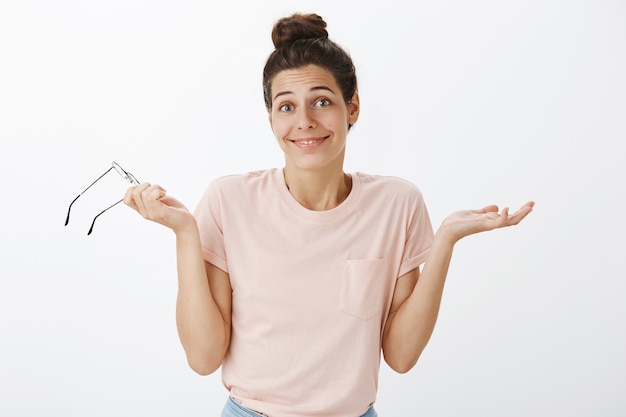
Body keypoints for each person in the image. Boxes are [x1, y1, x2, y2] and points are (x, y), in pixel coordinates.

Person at [123, 12, 534, 417]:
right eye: (286, 107)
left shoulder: (398, 204)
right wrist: (185, 234)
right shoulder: (229, 201)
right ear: (271, 119)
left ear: (352, 107)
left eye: (322, 101)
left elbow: (402, 357)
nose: (304, 122)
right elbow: (203, 358)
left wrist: (445, 240)